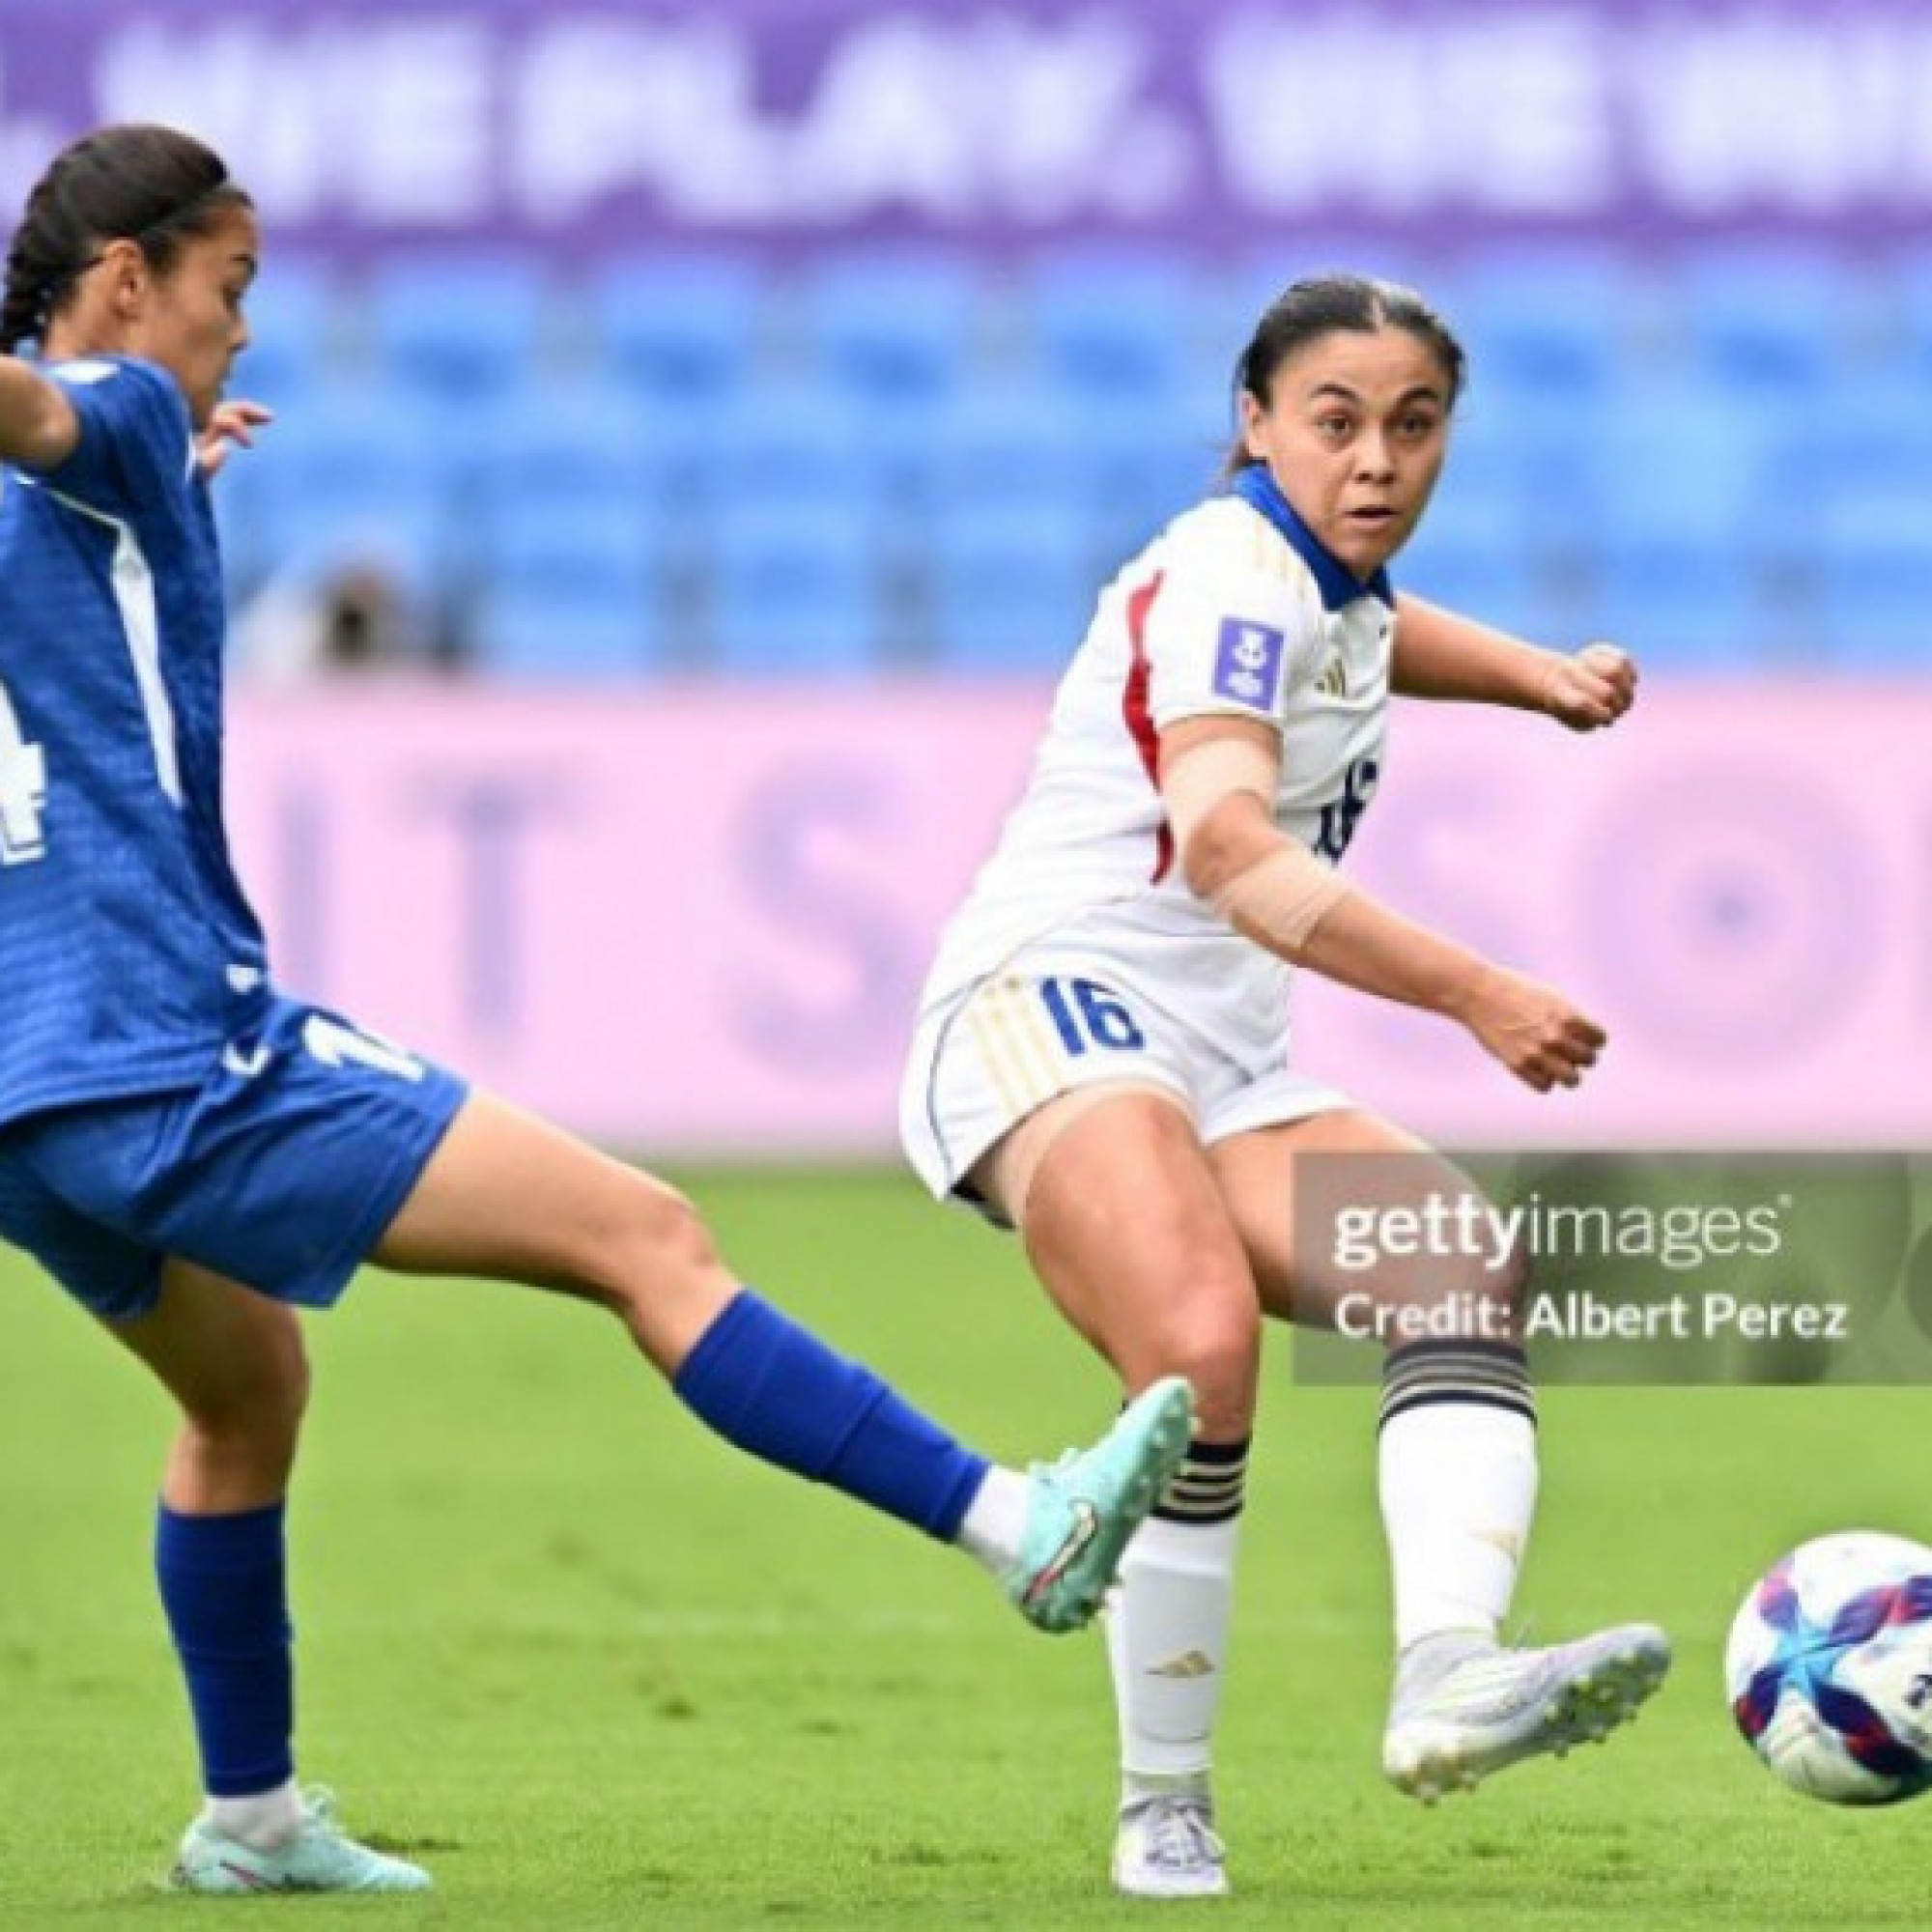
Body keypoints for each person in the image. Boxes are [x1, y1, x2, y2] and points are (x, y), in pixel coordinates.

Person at [0, 123, 1196, 1899]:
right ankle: (1020, 1525)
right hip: (173, 1048)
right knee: (650, 1236)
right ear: (123, 284)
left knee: (246, 1394)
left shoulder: (90, 481)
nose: (244, 334)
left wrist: (161, 460)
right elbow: (46, 417)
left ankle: (247, 1820)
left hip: (29, 1096)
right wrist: (132, 424)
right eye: (228, 291)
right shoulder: (95, 417)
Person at [899, 273, 1671, 1900]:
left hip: (1215, 1057)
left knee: (1455, 1265)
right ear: (1254, 424)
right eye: (1336, 423)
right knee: (1196, 1346)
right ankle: (1162, 1804)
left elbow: (1377, 633)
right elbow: (1237, 851)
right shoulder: (1230, 577)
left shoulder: (1323, 581)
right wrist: (1476, 993)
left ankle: (1448, 1674)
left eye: (1415, 424)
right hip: (1050, 1004)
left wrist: (1537, 675)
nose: (1378, 459)